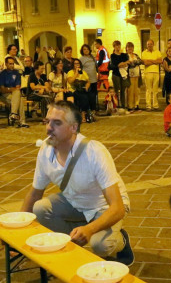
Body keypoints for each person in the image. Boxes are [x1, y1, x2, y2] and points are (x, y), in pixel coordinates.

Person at [20, 100, 134, 265]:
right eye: (47, 121)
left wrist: (89, 229)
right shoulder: (45, 149)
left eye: (57, 123)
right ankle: (74, 243)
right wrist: (19, 230)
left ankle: (121, 241)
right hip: (75, 201)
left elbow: (117, 207)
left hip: (103, 206)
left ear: (73, 127)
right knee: (40, 209)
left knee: (100, 245)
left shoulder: (94, 152)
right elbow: (35, 192)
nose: (48, 128)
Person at [0, 57, 29, 128]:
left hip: (15, 94)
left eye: (13, 64)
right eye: (10, 64)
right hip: (4, 95)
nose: (12, 65)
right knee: (19, 99)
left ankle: (13, 114)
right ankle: (22, 121)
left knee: (18, 97)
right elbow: (2, 90)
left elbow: (18, 87)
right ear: (6, 64)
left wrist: (9, 89)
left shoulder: (16, 73)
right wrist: (11, 89)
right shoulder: (2, 74)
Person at [141, 39, 163, 111]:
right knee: (148, 90)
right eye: (148, 44)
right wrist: (155, 61)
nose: (149, 45)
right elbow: (145, 63)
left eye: (151, 44)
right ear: (146, 45)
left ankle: (155, 105)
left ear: (153, 45)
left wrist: (150, 60)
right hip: (148, 73)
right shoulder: (144, 53)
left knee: (155, 90)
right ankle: (148, 105)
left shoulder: (157, 52)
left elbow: (160, 61)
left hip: (156, 72)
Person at [109, 40, 130, 112]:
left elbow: (128, 62)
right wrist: (122, 64)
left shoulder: (123, 55)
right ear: (114, 47)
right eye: (116, 46)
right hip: (116, 74)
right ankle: (116, 104)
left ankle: (123, 105)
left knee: (123, 90)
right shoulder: (113, 56)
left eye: (119, 45)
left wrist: (122, 63)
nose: (118, 47)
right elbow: (116, 65)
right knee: (116, 90)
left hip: (123, 74)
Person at [79, 44, 98, 114]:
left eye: (87, 49)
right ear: (82, 51)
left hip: (94, 79)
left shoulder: (92, 57)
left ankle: (94, 109)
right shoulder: (81, 59)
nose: (86, 51)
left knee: (94, 95)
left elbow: (96, 66)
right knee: (89, 95)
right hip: (87, 80)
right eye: (84, 49)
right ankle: (89, 110)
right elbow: (80, 69)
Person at [125, 42, 142, 112]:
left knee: (137, 91)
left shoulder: (136, 55)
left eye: (131, 47)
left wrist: (133, 62)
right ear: (126, 48)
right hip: (130, 76)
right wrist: (133, 63)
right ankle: (130, 105)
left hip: (137, 75)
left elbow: (139, 61)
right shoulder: (125, 56)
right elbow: (128, 64)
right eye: (129, 47)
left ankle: (136, 104)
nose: (130, 49)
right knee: (130, 91)